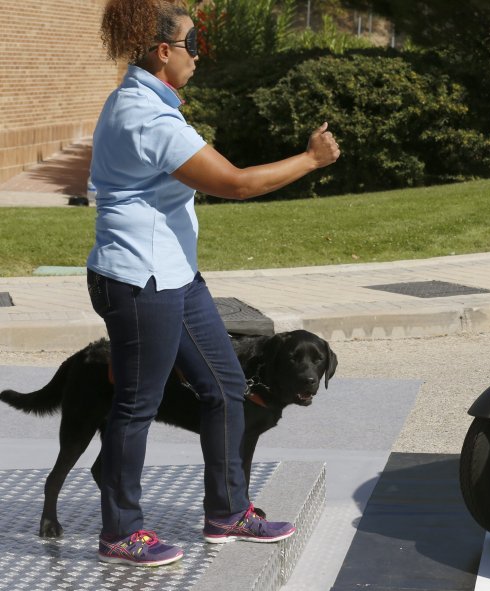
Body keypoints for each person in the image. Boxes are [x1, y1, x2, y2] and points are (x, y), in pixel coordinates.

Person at [87, 0, 340, 567]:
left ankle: (227, 512)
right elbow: (237, 183)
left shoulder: (153, 104)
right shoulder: (145, 116)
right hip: (139, 281)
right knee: (135, 406)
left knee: (225, 388)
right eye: (192, 44)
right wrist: (310, 158)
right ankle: (120, 531)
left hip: (176, 276)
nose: (199, 54)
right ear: (162, 52)